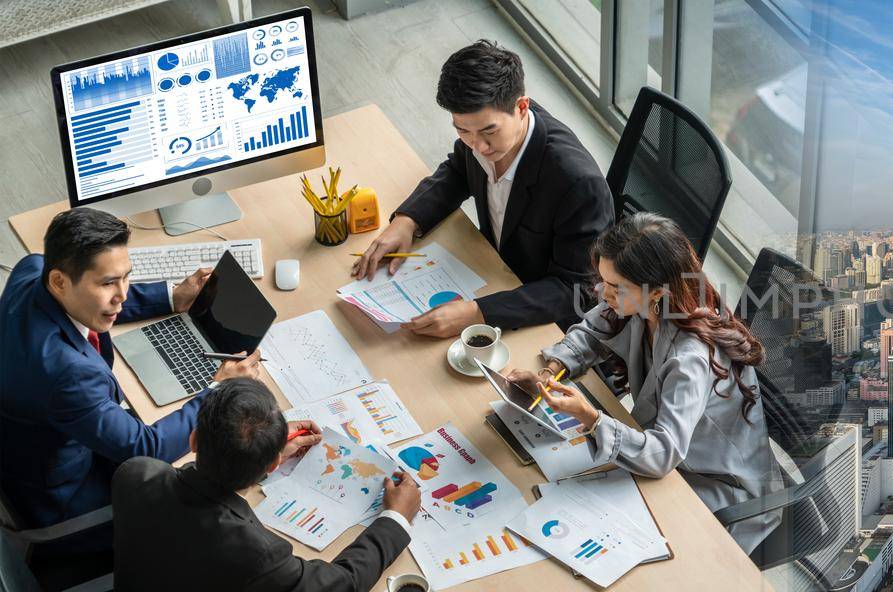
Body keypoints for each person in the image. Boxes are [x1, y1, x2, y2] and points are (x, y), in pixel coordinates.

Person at [505, 213, 777, 553]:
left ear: (657, 292)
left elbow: (663, 454)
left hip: (711, 483)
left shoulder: (691, 358)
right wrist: (553, 371)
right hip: (663, 454)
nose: (602, 293)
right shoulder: (642, 303)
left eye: (615, 287)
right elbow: (591, 332)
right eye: (603, 281)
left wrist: (591, 418)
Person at [0, 208, 259, 546]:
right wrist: (219, 392)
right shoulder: (68, 375)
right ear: (59, 281)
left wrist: (171, 296)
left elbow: (103, 300)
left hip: (29, 440)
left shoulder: (33, 269)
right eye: (108, 283)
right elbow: (145, 448)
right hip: (63, 494)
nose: (121, 295)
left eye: (125, 277)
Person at [352, 39, 613, 336]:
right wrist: (407, 221)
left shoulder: (578, 184)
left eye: (489, 131)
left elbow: (577, 291)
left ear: (522, 107)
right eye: (462, 130)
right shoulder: (483, 136)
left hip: (545, 319)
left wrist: (478, 313)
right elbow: (458, 170)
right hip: (495, 273)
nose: (477, 146)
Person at [112, 378, 420, 590]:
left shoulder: (136, 473)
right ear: (275, 464)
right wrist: (395, 520)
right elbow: (343, 584)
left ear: (193, 440)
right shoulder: (260, 556)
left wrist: (254, 455)